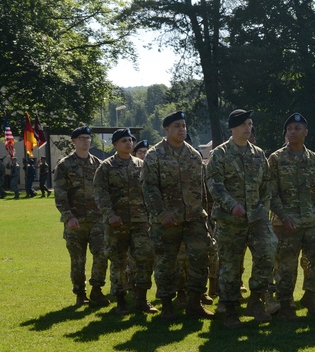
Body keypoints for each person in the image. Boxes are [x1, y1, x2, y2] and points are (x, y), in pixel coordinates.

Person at [207, 109, 277, 328]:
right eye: (243, 124)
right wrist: (232, 205)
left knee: (268, 251)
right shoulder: (220, 154)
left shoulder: (258, 154)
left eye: (250, 123)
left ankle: (256, 300)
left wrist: (262, 211)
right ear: (233, 128)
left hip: (256, 220)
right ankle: (229, 308)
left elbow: (266, 185)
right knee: (230, 265)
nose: (248, 128)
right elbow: (214, 185)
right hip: (230, 221)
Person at [140, 111, 213, 319]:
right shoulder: (155, 155)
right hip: (167, 221)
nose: (181, 129)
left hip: (194, 218)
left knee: (200, 258)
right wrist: (161, 213)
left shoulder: (194, 155)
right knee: (165, 263)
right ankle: (167, 304)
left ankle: (194, 302)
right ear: (166, 129)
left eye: (183, 125)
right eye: (176, 126)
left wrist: (205, 215)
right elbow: (149, 188)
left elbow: (202, 189)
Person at [267, 112, 315, 319]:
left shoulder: (314, 159)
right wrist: (284, 216)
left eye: (297, 128)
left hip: (311, 220)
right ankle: (285, 304)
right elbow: (271, 193)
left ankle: (311, 295)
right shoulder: (276, 159)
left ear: (306, 133)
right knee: (286, 266)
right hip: (285, 223)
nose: (292, 132)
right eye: (289, 129)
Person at [93, 129, 157, 314]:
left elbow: (149, 192)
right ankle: (120, 300)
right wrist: (110, 214)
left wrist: (150, 216)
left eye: (130, 140)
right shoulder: (106, 167)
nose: (128, 143)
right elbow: (100, 194)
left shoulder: (141, 165)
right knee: (118, 261)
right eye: (124, 141)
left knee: (145, 258)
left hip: (140, 221)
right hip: (117, 223)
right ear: (115, 144)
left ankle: (142, 299)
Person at [54, 125, 110, 307]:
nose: (86, 141)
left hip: (97, 220)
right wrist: (69, 216)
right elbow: (60, 194)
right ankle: (80, 293)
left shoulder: (98, 165)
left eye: (88, 138)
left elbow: (104, 192)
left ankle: (96, 289)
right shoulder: (65, 165)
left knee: (101, 254)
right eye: (82, 138)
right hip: (75, 221)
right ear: (74, 141)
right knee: (78, 260)